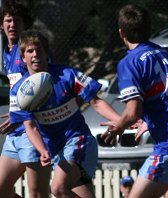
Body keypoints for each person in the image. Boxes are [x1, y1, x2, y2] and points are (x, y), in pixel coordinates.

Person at [101, 4, 168, 198]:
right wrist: (151, 122)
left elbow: (133, 111)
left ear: (121, 33)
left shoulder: (130, 62)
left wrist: (119, 126)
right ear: (148, 29)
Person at [9, 30, 121, 197]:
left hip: (78, 140)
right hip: (56, 152)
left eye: (39, 50)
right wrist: (42, 150)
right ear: (23, 59)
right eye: (30, 51)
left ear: (46, 53)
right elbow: (30, 127)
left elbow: (96, 102)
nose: (35, 54)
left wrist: (123, 120)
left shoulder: (67, 75)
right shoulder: (19, 91)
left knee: (58, 188)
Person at [0, 1, 51, 198]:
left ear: (25, 24)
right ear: (2, 25)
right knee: (0, 191)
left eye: (17, 20)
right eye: (8, 20)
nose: (12, 24)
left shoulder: (30, 51)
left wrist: (20, 113)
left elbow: (43, 86)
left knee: (37, 194)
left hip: (31, 130)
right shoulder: (7, 53)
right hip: (14, 133)